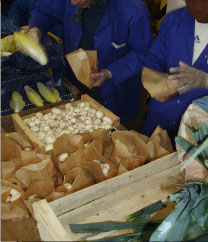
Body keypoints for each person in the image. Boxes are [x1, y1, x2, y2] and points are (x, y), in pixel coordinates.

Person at [25, 0, 153, 124]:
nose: (73, 3)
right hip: (75, 80)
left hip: (114, 90)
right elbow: (45, 10)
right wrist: (35, 30)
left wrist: (109, 72)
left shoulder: (133, 10)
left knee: (112, 129)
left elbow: (143, 53)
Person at [141, 0, 208, 143]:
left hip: (197, 132)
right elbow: (155, 57)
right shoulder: (174, 20)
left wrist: (204, 80)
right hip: (159, 117)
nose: (197, 8)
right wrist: (157, 82)